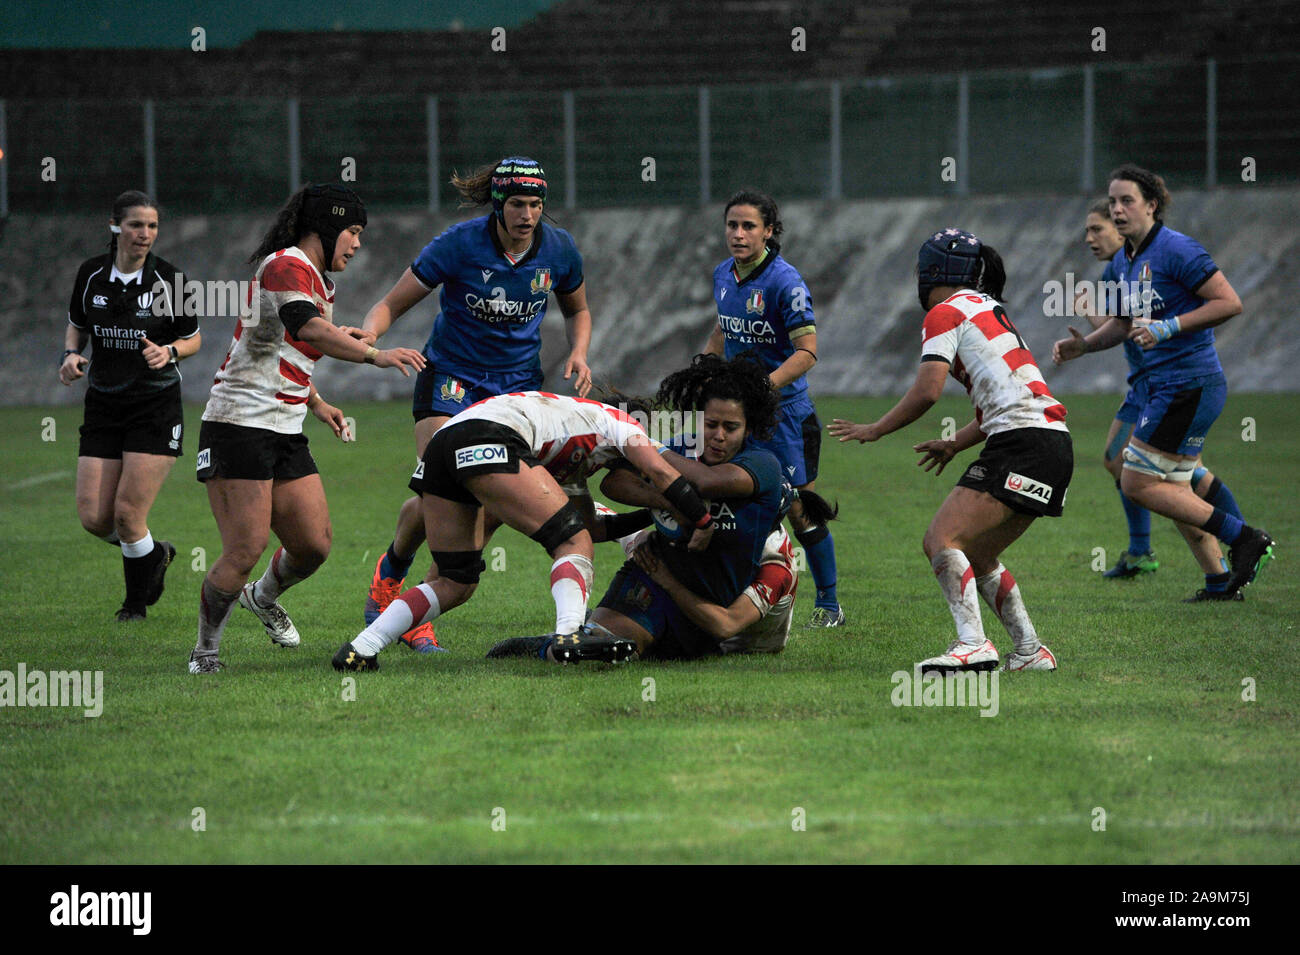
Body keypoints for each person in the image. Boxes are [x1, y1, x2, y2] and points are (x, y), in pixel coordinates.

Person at [355, 156, 594, 653]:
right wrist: (370, 336)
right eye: (518, 204)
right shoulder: (459, 244)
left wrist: (578, 351)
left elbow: (579, 309)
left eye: (535, 204)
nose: (527, 215)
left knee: (488, 506)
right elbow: (392, 303)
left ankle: (419, 596)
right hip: (449, 379)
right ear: (499, 204)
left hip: (515, 391)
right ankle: (391, 580)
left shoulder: (559, 249)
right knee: (442, 491)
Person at [187, 185, 426, 673]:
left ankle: (261, 598)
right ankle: (205, 653)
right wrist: (376, 354)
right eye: (353, 232)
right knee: (246, 548)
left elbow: (287, 348)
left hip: (285, 426)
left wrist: (317, 403)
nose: (357, 245)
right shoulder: (285, 265)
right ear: (327, 227)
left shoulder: (320, 282)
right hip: (238, 424)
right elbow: (308, 330)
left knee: (313, 545)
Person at [332, 390, 715, 671]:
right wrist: (699, 518)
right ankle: (569, 634)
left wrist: (646, 518)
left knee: (455, 580)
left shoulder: (570, 450)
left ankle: (360, 650)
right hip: (492, 438)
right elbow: (662, 473)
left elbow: (593, 525)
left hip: (444, 445)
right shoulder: (622, 424)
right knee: (571, 543)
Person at [830, 229, 1071, 673]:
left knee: (940, 540)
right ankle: (1030, 651)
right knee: (978, 555)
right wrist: (955, 443)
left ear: (933, 272)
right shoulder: (987, 309)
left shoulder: (945, 312)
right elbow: (1013, 397)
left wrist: (876, 429)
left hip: (1021, 443)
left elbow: (928, 391)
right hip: (1053, 445)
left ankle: (973, 644)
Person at [1053, 165, 1274, 600]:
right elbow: (1121, 324)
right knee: (1172, 485)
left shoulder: (1177, 249)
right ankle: (1219, 582)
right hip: (1166, 387)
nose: (1117, 209)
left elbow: (1229, 302)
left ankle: (1244, 538)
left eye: (1126, 201)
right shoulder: (1125, 261)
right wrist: (1086, 347)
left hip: (1189, 384)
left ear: (1151, 205)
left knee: (1138, 482)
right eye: (1112, 202)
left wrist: (1167, 327)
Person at [486, 354, 791, 663]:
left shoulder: (762, 466)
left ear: (749, 429)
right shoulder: (682, 448)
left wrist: (642, 444)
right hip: (649, 576)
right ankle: (541, 645)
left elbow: (707, 482)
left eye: (731, 427)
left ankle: (583, 629)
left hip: (702, 601)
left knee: (660, 654)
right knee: (600, 655)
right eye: (710, 424)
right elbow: (615, 481)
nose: (719, 436)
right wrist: (664, 497)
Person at [1076, 199, 1246, 582]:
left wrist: (1094, 318)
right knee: (1122, 461)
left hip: (1174, 385)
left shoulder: (1159, 260)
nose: (1090, 238)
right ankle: (1151, 552)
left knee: (1178, 476)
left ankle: (1242, 540)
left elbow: (1137, 326)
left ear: (1122, 227)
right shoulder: (1116, 271)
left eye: (1097, 228)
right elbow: (1125, 327)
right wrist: (1087, 338)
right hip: (1145, 386)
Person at [704, 190, 844, 628]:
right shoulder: (723, 274)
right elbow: (723, 328)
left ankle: (829, 605)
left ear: (769, 231)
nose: (739, 234)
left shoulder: (786, 282)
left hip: (787, 419)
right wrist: (705, 374)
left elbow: (808, 352)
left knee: (799, 508)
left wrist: (760, 387)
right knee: (737, 501)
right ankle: (737, 595)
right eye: (732, 225)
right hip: (742, 419)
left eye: (749, 226)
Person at [60, 190, 200, 622]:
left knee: (127, 513)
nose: (145, 234)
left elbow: (194, 338)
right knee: (93, 517)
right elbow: (77, 325)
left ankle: (134, 605)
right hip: (103, 403)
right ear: (116, 226)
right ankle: (154, 554)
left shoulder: (171, 281)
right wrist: (69, 355)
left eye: (153, 226)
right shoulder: (90, 275)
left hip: (153, 406)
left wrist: (170, 353)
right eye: (137, 225)